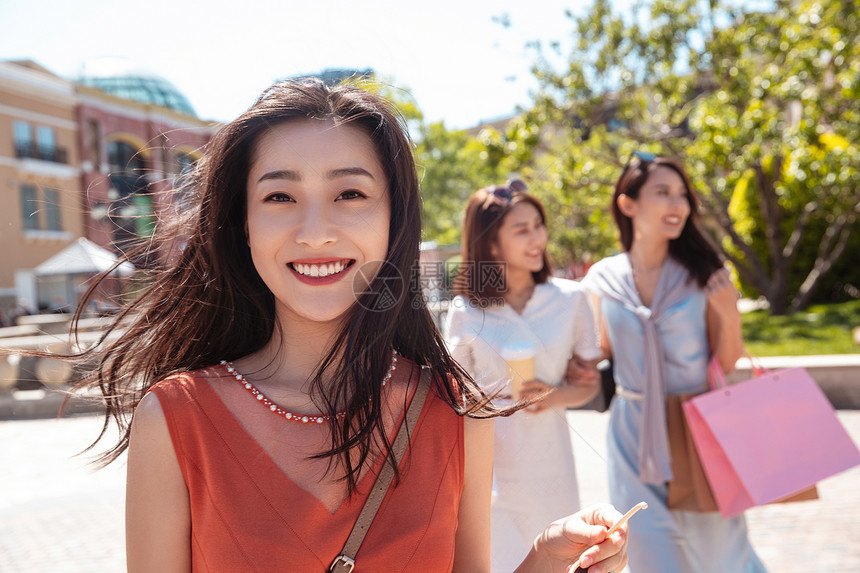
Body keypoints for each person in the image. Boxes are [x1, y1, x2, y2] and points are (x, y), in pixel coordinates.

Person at [64, 79, 628, 572]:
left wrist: (546, 562)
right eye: (280, 195)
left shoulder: (456, 410)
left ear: (394, 218)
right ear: (244, 224)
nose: (315, 232)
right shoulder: (174, 419)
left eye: (350, 193)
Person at [581, 152, 766, 572]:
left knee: (722, 553)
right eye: (662, 193)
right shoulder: (602, 280)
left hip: (699, 422)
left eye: (681, 194)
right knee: (648, 554)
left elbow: (727, 359)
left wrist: (728, 311)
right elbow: (600, 351)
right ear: (628, 204)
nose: (677, 204)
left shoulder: (703, 274)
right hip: (632, 431)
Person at [443, 181, 604, 572]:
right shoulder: (466, 310)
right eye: (521, 230)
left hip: (550, 463)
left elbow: (590, 385)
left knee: (561, 557)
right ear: (491, 244)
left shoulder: (571, 299)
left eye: (539, 225)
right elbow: (450, 398)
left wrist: (554, 395)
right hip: (487, 469)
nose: (537, 238)